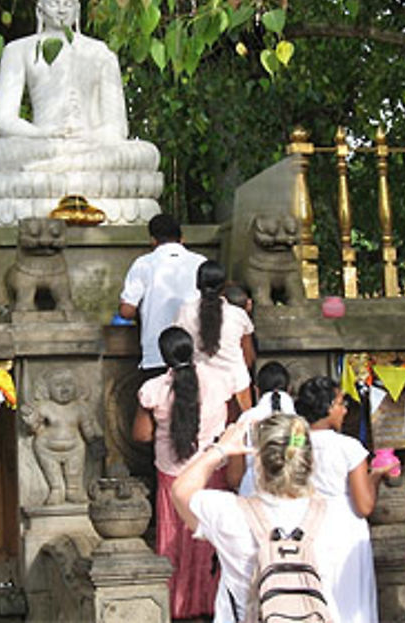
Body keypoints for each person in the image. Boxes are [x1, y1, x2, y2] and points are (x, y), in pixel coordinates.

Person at [0, 0, 162, 225]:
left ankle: (57, 176)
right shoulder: (18, 50)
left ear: (78, 11)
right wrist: (45, 134)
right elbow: (3, 121)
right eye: (54, 4)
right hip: (41, 144)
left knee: (145, 153)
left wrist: (88, 137)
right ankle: (65, 175)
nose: (61, 11)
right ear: (40, 11)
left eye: (68, 4)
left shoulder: (100, 53)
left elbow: (117, 128)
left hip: (90, 146)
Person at [170, 413, 338, 623]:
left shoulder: (229, 513)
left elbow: (180, 490)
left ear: (258, 460)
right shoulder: (332, 516)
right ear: (308, 459)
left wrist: (222, 448)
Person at [132, 326, 249, 620]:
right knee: (213, 537)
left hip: (172, 476)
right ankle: (213, 603)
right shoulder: (219, 381)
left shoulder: (154, 389)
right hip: (213, 470)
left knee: (175, 540)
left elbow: (142, 434)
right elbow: (235, 422)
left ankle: (177, 606)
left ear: (164, 356)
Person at [295, 375, 389, 623]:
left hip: (305, 526)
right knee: (349, 604)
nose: (345, 409)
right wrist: (376, 476)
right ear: (327, 408)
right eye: (339, 403)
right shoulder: (349, 448)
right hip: (343, 530)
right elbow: (364, 505)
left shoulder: (294, 446)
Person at [119, 213, 206, 375]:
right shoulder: (200, 262)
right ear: (182, 238)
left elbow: (126, 311)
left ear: (153, 240)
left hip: (157, 353)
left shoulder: (143, 264)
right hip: (196, 352)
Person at [174, 259, 255, 406]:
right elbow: (248, 358)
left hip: (199, 389)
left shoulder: (184, 312)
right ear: (224, 286)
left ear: (197, 284)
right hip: (236, 390)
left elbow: (179, 351)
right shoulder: (238, 315)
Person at [228, 361, 296, 495]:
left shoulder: (245, 421)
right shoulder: (300, 423)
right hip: (292, 500)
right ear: (289, 389)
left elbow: (234, 478)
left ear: (256, 390)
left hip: (252, 500)